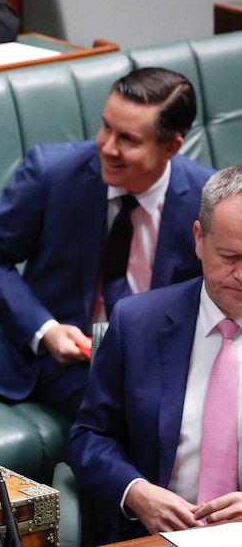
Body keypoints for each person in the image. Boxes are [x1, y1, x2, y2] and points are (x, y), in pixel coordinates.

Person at [0, 67, 215, 420]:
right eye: (106, 127)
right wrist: (45, 329)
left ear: (171, 147)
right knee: (140, 413)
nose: (107, 147)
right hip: (63, 361)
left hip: (164, 359)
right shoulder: (52, 172)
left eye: (128, 139)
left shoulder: (206, 198)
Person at [69, 165, 242, 542]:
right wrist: (136, 492)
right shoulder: (137, 323)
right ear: (199, 238)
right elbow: (90, 436)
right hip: (157, 535)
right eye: (230, 256)